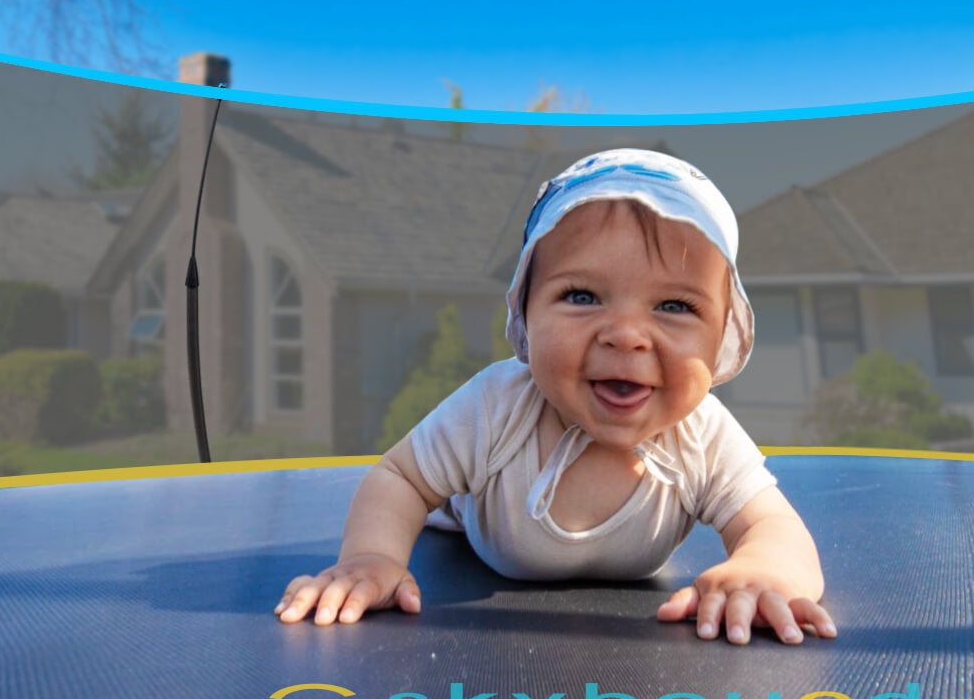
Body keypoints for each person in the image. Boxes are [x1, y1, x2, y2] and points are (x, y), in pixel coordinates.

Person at [275, 148, 836, 646]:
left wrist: (767, 570)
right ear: (525, 315)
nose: (626, 335)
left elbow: (776, 527)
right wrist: (371, 558)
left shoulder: (702, 434)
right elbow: (399, 479)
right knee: (437, 500)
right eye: (582, 295)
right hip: (471, 525)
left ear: (721, 339)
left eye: (674, 306)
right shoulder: (497, 406)